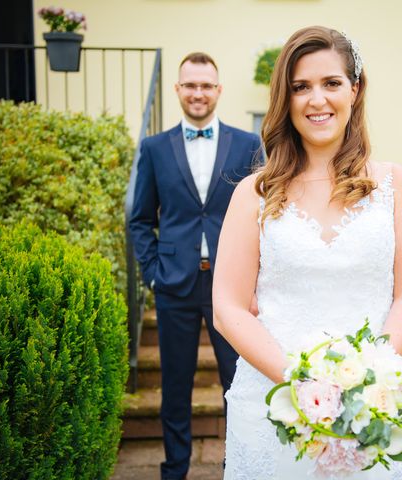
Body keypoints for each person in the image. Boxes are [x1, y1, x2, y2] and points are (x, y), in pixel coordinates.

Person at [212, 26, 402, 479]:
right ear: (284, 99)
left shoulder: (394, 185)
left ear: (355, 88)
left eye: (331, 83)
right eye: (300, 87)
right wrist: (304, 387)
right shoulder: (254, 193)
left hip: (372, 411)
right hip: (271, 409)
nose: (317, 100)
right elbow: (228, 308)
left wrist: (367, 385)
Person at [129, 52, 262, 480]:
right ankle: (175, 470)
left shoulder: (248, 145)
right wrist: (152, 272)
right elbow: (140, 219)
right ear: (178, 90)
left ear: (218, 90)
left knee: (237, 384)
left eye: (206, 85)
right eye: (190, 85)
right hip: (174, 284)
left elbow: (265, 214)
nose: (198, 93)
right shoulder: (153, 148)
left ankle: (235, 465)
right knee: (176, 388)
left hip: (233, 286)